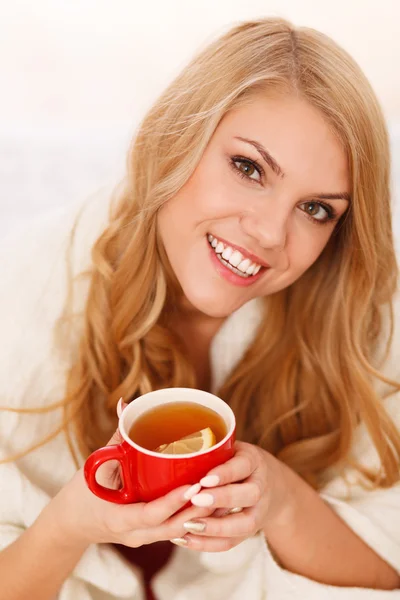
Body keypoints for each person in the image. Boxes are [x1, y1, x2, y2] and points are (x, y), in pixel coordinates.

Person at [0, 16, 400, 600]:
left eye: (316, 209)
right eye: (248, 168)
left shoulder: (359, 319)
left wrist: (281, 499)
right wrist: (69, 525)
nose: (268, 233)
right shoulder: (21, 298)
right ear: (175, 140)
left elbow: (387, 571)